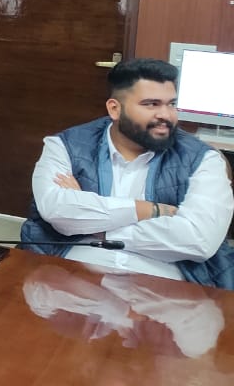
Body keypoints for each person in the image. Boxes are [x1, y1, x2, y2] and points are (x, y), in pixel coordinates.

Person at [21, 58, 234, 288]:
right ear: (115, 109)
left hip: (164, 283)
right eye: (151, 104)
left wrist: (99, 228)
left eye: (171, 104)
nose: (166, 115)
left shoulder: (204, 159)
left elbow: (200, 239)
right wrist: (150, 210)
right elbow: (57, 210)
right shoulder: (64, 146)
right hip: (71, 276)